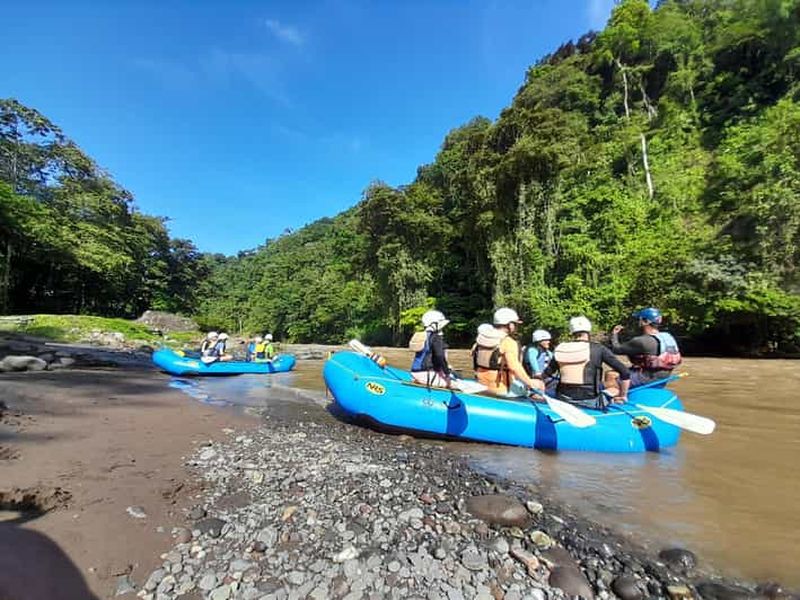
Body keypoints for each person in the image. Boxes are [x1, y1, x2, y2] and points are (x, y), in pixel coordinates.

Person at [539, 316, 630, 404]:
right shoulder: (599, 349)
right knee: (614, 389)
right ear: (588, 330)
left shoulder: (561, 348)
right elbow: (625, 372)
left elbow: (546, 374)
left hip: (563, 397)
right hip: (591, 399)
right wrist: (623, 395)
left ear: (572, 331)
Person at [472, 307, 543, 396]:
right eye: (515, 324)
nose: (516, 327)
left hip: (480, 385)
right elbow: (514, 367)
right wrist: (530, 383)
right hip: (499, 390)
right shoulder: (508, 342)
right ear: (510, 325)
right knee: (537, 391)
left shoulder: (481, 339)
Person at [609, 307, 682, 387]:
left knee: (611, 375)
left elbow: (616, 349)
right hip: (664, 378)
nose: (638, 322)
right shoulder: (668, 337)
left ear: (646, 322)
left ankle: (618, 397)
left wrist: (614, 334)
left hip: (647, 379)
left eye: (639, 320)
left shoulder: (641, 341)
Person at [410, 310, 453, 387]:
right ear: (434, 324)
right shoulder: (436, 337)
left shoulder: (422, 335)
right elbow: (440, 356)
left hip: (415, 372)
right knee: (453, 384)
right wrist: (447, 373)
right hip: (427, 374)